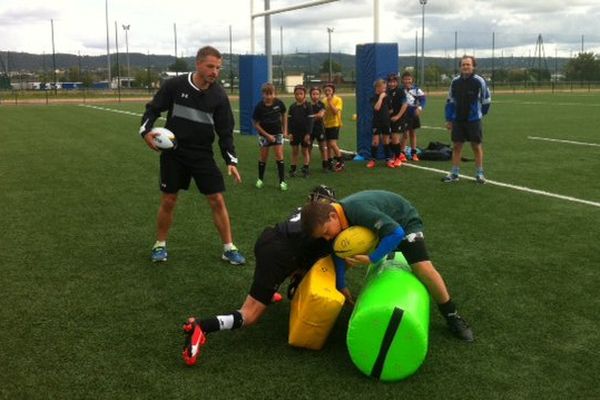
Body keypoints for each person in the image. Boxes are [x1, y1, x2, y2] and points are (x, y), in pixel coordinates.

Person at [182, 185, 338, 366]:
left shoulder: (303, 212)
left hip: (268, 239)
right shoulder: (323, 227)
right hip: (278, 255)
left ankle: (269, 291)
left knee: (287, 266)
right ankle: (202, 326)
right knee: (250, 315)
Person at [300, 190, 474, 342]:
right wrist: (341, 285)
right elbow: (337, 252)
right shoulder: (336, 220)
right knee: (349, 251)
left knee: (422, 267)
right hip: (383, 227)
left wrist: (373, 258)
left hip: (404, 221)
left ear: (332, 216)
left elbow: (396, 232)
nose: (327, 238)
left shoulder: (357, 210)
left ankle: (452, 316)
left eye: (326, 233)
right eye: (322, 237)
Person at [139, 45, 245, 265]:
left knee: (217, 199)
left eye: (218, 67)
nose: (215, 71)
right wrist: (146, 131)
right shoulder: (175, 86)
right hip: (174, 153)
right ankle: (160, 245)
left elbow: (225, 131)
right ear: (198, 64)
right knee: (169, 199)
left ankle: (228, 248)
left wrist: (231, 160)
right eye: (210, 66)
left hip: (202, 154)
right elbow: (153, 109)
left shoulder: (219, 95)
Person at [443, 55, 491, 184]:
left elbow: (486, 100)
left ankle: (479, 174)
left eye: (468, 64)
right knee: (457, 146)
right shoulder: (455, 81)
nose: (465, 67)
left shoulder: (479, 81)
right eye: (463, 64)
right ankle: (454, 173)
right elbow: (450, 100)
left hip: (473, 120)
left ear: (473, 66)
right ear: (460, 67)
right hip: (458, 120)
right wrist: (449, 119)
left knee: (476, 146)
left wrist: (480, 114)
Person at [252, 83, 288, 191]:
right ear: (263, 94)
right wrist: (267, 136)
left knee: (279, 155)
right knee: (263, 157)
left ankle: (282, 181)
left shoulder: (279, 103)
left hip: (277, 133)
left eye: (271, 94)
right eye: (266, 94)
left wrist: (285, 130)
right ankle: (260, 179)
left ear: (274, 94)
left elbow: (284, 114)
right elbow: (256, 124)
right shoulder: (259, 107)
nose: (268, 96)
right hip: (264, 135)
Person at [399, 71, 426, 162]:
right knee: (405, 134)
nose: (407, 81)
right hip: (404, 115)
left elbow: (423, 100)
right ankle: (401, 153)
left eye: (409, 79)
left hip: (413, 114)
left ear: (412, 80)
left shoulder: (417, 90)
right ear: (402, 80)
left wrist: (420, 108)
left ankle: (413, 153)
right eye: (405, 79)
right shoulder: (400, 90)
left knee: (412, 133)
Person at [366, 79, 394, 169]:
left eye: (385, 88)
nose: (385, 89)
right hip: (376, 122)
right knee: (375, 141)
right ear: (377, 88)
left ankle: (388, 159)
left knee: (386, 141)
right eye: (383, 87)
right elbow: (377, 108)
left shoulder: (387, 97)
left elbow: (391, 110)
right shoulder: (374, 97)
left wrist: (386, 116)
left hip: (386, 122)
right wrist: (381, 97)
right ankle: (372, 160)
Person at [287, 85, 313, 178]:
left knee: (305, 151)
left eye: (301, 94)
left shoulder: (308, 106)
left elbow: (310, 121)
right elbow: (289, 121)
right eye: (297, 94)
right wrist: (289, 132)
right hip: (294, 133)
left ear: (304, 95)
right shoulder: (292, 107)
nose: (299, 96)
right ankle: (293, 170)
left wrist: (308, 133)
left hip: (304, 133)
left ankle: (305, 170)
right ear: (294, 95)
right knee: (294, 152)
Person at [387, 74, 408, 167]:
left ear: (397, 82)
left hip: (398, 119)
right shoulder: (387, 92)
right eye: (390, 82)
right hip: (389, 119)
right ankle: (398, 155)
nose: (392, 84)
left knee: (395, 138)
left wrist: (398, 116)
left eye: (394, 82)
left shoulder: (400, 91)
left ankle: (397, 158)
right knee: (388, 139)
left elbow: (405, 105)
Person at [322, 83, 345, 172]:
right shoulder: (323, 100)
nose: (327, 92)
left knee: (332, 143)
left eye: (329, 90)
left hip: (335, 124)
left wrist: (330, 102)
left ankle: (341, 161)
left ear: (333, 91)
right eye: (326, 90)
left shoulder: (338, 99)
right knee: (328, 145)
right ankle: (330, 162)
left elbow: (335, 112)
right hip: (326, 125)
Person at [308, 87, 329, 173]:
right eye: (313, 94)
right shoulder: (308, 105)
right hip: (309, 129)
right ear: (310, 95)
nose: (315, 96)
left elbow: (321, 115)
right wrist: (316, 115)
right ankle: (306, 166)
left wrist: (311, 116)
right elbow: (309, 117)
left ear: (319, 95)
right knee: (308, 148)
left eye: (317, 94)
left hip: (319, 129)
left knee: (323, 148)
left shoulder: (322, 105)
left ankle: (325, 166)